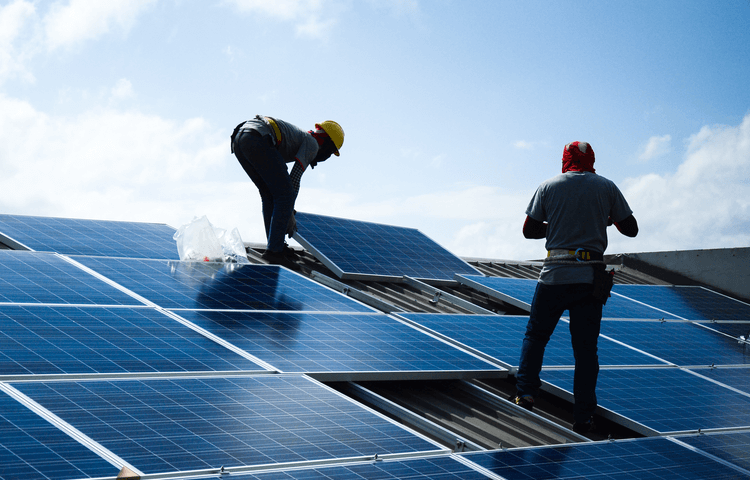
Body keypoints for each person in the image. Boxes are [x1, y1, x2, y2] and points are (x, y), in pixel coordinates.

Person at [513, 141, 638, 434]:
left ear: (565, 160)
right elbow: (630, 228)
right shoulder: (606, 187)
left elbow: (529, 230)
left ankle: (526, 393)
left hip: (554, 276)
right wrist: (601, 221)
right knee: (585, 351)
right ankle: (582, 416)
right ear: (591, 160)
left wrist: (556, 225)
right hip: (589, 279)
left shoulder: (548, 186)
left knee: (536, 336)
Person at [231, 115, 344, 269]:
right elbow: (294, 179)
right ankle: (274, 250)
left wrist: (287, 208)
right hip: (257, 137)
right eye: (330, 152)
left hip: (241, 138)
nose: (327, 157)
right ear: (326, 143)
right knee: (284, 195)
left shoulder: (299, 138)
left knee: (269, 195)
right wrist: (289, 212)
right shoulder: (312, 143)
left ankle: (275, 245)